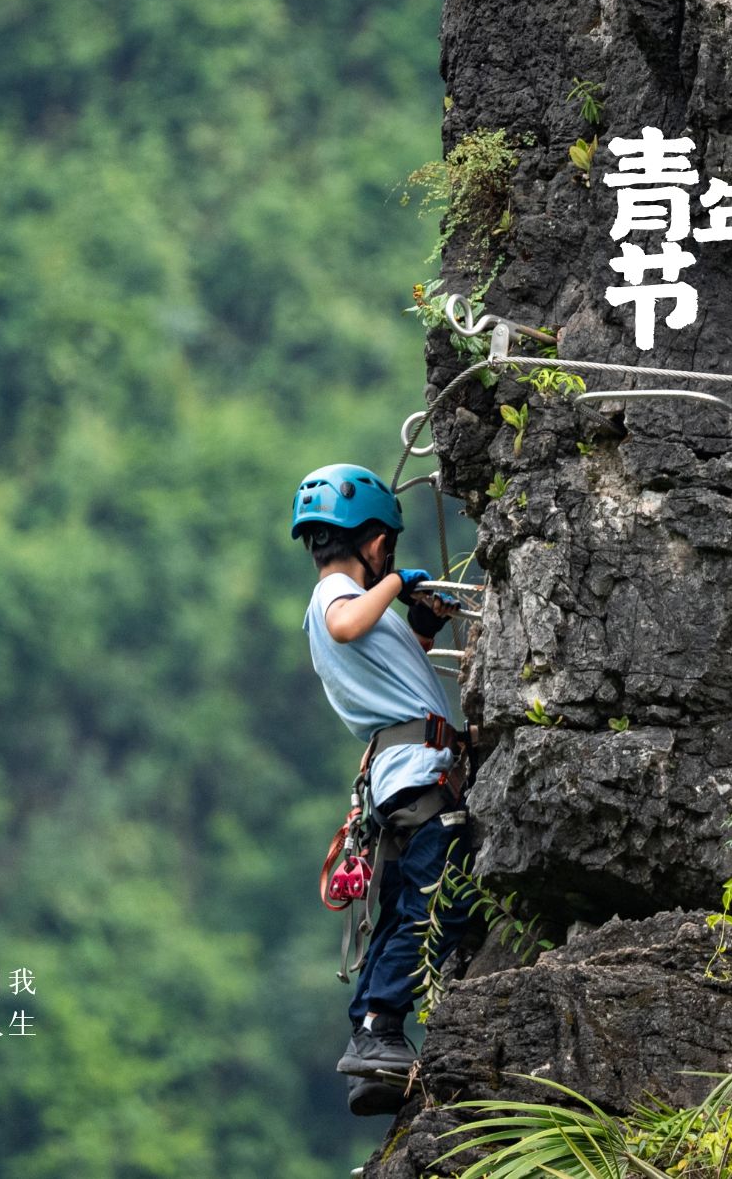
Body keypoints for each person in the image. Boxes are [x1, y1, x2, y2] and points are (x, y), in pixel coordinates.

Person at [291, 462, 473, 1116]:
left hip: (400, 782)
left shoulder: (350, 608)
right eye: (386, 551)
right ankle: (380, 1028)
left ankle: (371, 1041)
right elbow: (347, 625)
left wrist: (420, 625)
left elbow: (394, 675)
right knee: (440, 901)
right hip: (417, 776)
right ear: (373, 542)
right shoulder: (335, 599)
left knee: (401, 910)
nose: (388, 564)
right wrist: (397, 583)